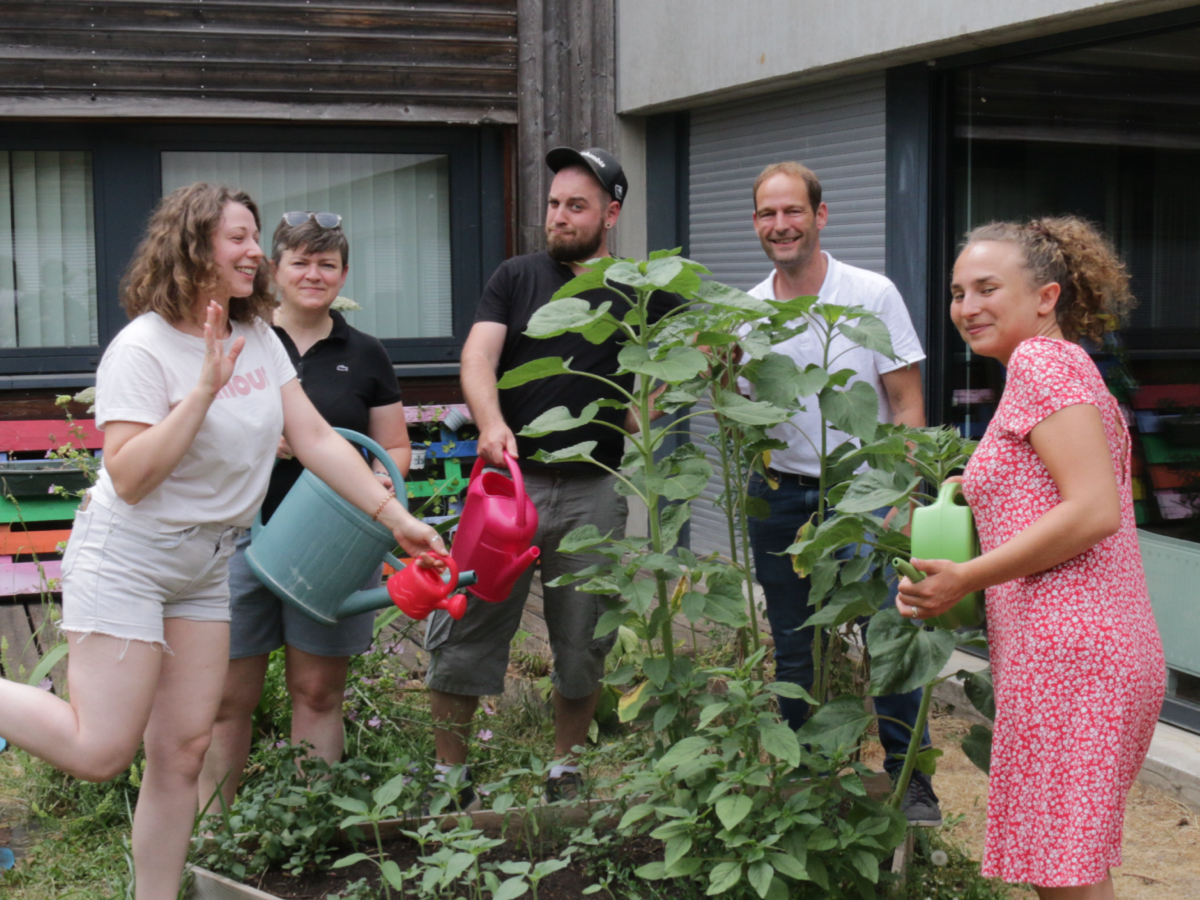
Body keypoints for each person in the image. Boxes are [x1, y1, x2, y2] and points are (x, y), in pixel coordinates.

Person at [0, 184, 444, 900]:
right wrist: (204, 390)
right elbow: (131, 475)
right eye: (237, 237)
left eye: (253, 236)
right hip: (130, 559)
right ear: (192, 245)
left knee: (182, 751)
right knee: (101, 750)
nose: (252, 252)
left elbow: (317, 440)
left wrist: (399, 520)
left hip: (206, 566)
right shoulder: (142, 348)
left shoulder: (261, 340)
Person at [899, 217, 1165, 899]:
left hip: (1070, 655)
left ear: (1046, 295)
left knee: (1063, 878)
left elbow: (1092, 510)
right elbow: (1056, 487)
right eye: (958, 293)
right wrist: (972, 485)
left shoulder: (1043, 364)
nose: (967, 307)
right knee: (1069, 869)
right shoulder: (1057, 368)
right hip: (1083, 651)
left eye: (988, 288)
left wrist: (967, 576)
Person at [425, 146, 672, 805]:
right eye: (555, 204)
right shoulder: (516, 277)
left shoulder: (639, 287)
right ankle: (450, 777)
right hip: (509, 485)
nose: (559, 216)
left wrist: (645, 408)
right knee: (467, 620)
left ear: (610, 214)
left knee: (583, 636)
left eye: (577, 206)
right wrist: (488, 422)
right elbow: (479, 355)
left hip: (593, 486)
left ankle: (565, 768)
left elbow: (691, 350)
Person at [738, 161, 939, 824]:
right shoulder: (748, 314)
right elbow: (742, 414)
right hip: (781, 497)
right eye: (768, 214)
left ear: (820, 217)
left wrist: (904, 499)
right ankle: (808, 770)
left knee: (888, 629)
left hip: (864, 493)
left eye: (792, 211)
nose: (781, 225)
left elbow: (907, 403)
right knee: (794, 640)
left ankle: (909, 777)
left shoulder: (870, 293)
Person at [199, 211, 412, 813]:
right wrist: (257, 437)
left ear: (344, 274)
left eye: (327, 264)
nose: (313, 275)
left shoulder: (366, 353)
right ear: (274, 269)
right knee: (225, 697)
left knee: (318, 691)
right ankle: (216, 831)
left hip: (335, 541)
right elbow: (199, 424)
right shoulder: (241, 338)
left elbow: (394, 446)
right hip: (241, 533)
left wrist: (376, 477)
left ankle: (308, 822)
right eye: (300, 261)